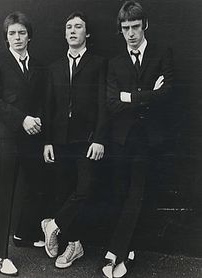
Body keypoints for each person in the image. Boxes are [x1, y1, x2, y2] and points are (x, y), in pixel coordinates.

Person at [102, 1, 173, 277]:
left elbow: (167, 94)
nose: (130, 33)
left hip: (149, 139)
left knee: (136, 193)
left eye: (134, 27)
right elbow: (110, 103)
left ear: (145, 25)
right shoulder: (116, 62)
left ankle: (114, 253)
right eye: (125, 28)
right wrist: (147, 96)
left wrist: (129, 96)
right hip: (121, 139)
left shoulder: (161, 54)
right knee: (121, 194)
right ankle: (127, 247)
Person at [41, 11, 108, 269]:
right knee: (64, 192)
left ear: (86, 33)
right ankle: (74, 244)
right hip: (59, 140)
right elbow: (49, 106)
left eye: (78, 27)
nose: (72, 31)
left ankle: (53, 225)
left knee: (85, 188)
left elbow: (104, 105)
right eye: (68, 27)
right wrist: (47, 141)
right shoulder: (54, 67)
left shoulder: (99, 63)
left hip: (88, 140)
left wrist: (100, 138)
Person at [0, 11, 46, 276]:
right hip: (8, 136)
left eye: (21, 33)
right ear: (6, 37)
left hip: (33, 137)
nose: (17, 38)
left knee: (34, 187)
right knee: (5, 195)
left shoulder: (37, 65)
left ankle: (24, 234)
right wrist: (22, 120)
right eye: (12, 33)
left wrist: (39, 121)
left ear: (29, 36)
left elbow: (42, 98)